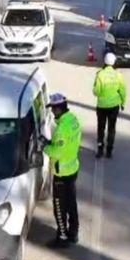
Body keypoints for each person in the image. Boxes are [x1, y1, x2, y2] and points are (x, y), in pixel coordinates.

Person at [42, 93, 82, 247]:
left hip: (62, 173)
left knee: (59, 206)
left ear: (58, 109)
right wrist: (51, 143)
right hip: (72, 168)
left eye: (52, 109)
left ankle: (62, 237)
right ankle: (74, 233)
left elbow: (56, 152)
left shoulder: (61, 129)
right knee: (72, 204)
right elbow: (66, 144)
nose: (51, 112)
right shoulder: (73, 120)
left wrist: (45, 146)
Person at [93, 53, 127, 159]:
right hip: (114, 107)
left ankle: (100, 149)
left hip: (102, 106)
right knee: (111, 128)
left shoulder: (100, 74)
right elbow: (123, 90)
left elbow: (96, 91)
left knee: (101, 128)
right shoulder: (118, 75)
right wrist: (123, 103)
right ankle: (109, 150)